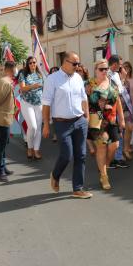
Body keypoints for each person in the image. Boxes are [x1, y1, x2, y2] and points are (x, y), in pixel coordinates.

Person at [41, 52, 92, 199]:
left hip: (79, 121)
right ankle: (55, 175)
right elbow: (46, 104)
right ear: (65, 62)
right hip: (62, 123)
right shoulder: (52, 79)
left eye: (78, 64)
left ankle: (78, 188)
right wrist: (46, 125)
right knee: (66, 155)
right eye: (74, 64)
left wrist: (86, 117)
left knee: (81, 155)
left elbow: (83, 98)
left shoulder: (77, 78)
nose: (77, 67)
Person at [86, 59, 125, 190]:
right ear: (95, 70)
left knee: (115, 145)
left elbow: (118, 101)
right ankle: (104, 176)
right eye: (101, 69)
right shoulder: (89, 84)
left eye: (106, 69)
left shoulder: (112, 82)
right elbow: (83, 102)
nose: (104, 71)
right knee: (102, 146)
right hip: (96, 120)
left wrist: (122, 119)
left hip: (111, 119)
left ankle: (105, 165)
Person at [18, 56, 44, 160]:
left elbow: (44, 88)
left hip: (39, 103)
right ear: (27, 65)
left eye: (34, 62)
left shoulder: (40, 74)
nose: (32, 64)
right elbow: (22, 88)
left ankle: (36, 150)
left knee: (38, 128)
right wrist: (34, 86)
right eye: (30, 63)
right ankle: (30, 147)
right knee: (32, 126)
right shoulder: (23, 74)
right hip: (27, 103)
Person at [107, 55, 130, 169]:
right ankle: (113, 158)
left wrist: (123, 78)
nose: (121, 67)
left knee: (120, 131)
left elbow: (121, 89)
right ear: (115, 64)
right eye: (120, 65)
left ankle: (117, 157)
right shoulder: (107, 74)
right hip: (111, 108)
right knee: (114, 133)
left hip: (120, 106)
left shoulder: (116, 74)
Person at [119, 63, 133, 160]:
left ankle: (126, 148)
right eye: (124, 69)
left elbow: (128, 96)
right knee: (120, 131)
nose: (126, 70)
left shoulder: (127, 82)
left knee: (129, 127)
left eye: (126, 69)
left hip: (126, 108)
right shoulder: (115, 81)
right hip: (117, 110)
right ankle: (119, 152)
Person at [123, 61, 133, 153]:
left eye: (127, 67)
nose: (126, 69)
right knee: (125, 126)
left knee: (132, 126)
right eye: (124, 67)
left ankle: (130, 145)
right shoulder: (121, 79)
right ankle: (125, 145)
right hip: (124, 106)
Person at [48, 66, 60, 142]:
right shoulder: (49, 80)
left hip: (60, 103)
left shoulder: (62, 79)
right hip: (52, 103)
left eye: (56, 70)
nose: (54, 71)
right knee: (53, 119)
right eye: (53, 70)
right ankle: (55, 135)